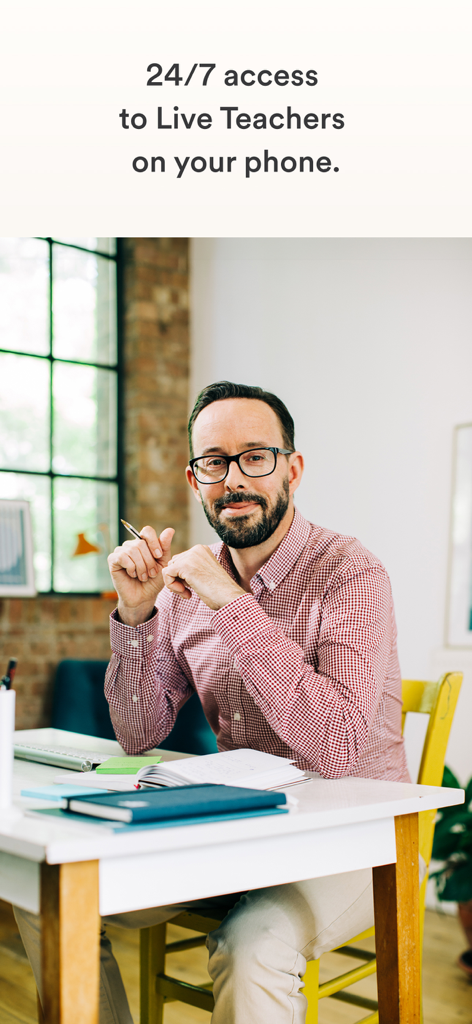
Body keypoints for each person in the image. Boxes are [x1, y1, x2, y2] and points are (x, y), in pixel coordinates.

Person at [15, 381, 410, 1024]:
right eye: (215, 462)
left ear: (293, 468)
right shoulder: (180, 589)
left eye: (256, 456)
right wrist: (137, 614)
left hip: (356, 841)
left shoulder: (351, 573)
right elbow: (139, 733)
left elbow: (335, 748)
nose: (235, 480)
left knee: (252, 945)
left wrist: (230, 603)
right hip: (236, 832)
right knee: (49, 892)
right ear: (195, 478)